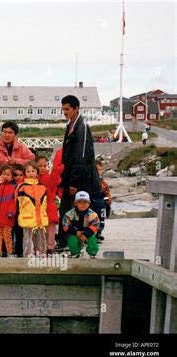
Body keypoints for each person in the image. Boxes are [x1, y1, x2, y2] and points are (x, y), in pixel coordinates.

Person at [58, 95, 101, 251]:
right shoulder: (71, 126)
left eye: (67, 109)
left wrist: (74, 182)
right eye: (63, 109)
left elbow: (81, 156)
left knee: (79, 212)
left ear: (76, 109)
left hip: (81, 179)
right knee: (68, 212)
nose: (64, 112)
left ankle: (80, 246)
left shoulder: (81, 126)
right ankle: (67, 244)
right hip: (70, 176)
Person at [17, 161, 48, 257]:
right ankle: (27, 254)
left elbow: (45, 203)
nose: (31, 173)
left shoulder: (42, 186)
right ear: (25, 173)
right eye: (28, 171)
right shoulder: (22, 187)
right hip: (27, 217)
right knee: (27, 237)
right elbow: (19, 202)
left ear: (37, 172)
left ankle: (42, 253)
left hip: (40, 217)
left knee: (42, 237)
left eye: (33, 171)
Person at [62, 191, 100, 258]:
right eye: (80, 202)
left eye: (85, 202)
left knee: (92, 240)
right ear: (75, 203)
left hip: (88, 232)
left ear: (89, 203)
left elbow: (96, 225)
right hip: (75, 232)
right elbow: (65, 225)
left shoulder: (93, 214)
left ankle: (93, 254)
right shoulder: (69, 214)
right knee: (72, 240)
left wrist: (86, 234)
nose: (83, 204)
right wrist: (75, 232)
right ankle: (74, 253)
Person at [95, 160, 112, 242]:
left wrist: (108, 199)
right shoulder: (91, 182)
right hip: (94, 204)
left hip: (102, 205)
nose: (99, 172)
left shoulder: (103, 183)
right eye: (97, 170)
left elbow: (107, 192)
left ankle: (99, 233)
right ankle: (94, 234)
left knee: (102, 219)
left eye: (100, 170)